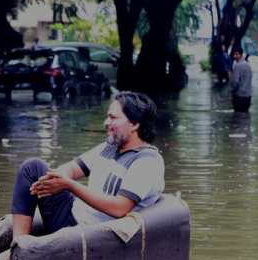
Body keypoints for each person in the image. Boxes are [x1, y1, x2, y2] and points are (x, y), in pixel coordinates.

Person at [10, 91, 164, 238]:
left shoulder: (146, 162)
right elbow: (72, 169)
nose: (106, 123)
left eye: (113, 118)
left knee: (38, 170)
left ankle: (21, 251)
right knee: (33, 168)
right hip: (72, 214)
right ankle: (19, 244)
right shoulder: (109, 147)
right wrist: (54, 179)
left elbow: (120, 208)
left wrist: (69, 185)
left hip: (88, 233)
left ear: (134, 124)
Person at [230, 47, 253, 112]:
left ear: (241, 54)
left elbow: (235, 82)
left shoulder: (237, 66)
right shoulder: (248, 65)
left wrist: (232, 91)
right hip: (248, 96)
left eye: (237, 54)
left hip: (239, 96)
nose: (235, 56)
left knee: (237, 117)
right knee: (245, 115)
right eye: (234, 54)